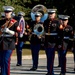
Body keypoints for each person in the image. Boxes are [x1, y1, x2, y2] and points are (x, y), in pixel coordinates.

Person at [0, 6, 20, 75]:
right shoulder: (1, 21)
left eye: (8, 12)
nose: (6, 14)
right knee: (1, 60)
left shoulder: (15, 22)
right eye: (5, 12)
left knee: (6, 60)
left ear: (11, 13)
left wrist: (9, 31)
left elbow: (18, 34)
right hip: (2, 43)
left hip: (10, 43)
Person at [43, 9, 60, 75]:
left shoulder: (57, 22)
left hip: (53, 42)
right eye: (49, 14)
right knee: (48, 57)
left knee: (51, 57)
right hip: (47, 42)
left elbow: (60, 33)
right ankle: (49, 71)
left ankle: (51, 71)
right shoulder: (45, 21)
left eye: (52, 14)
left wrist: (58, 43)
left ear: (54, 14)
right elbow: (44, 31)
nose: (50, 15)